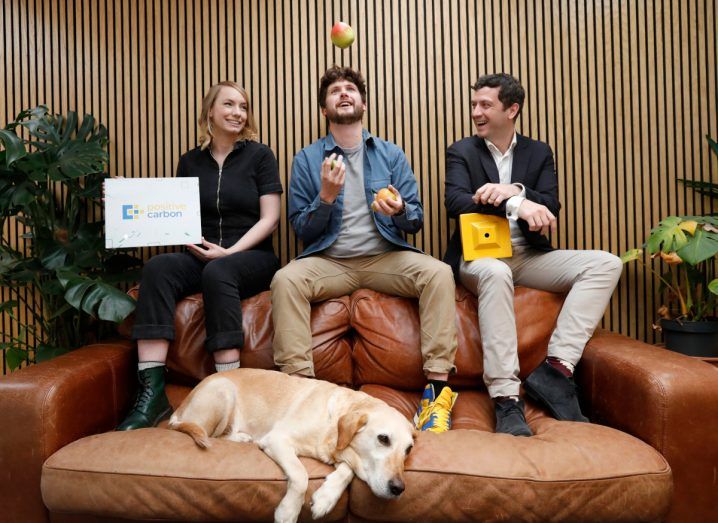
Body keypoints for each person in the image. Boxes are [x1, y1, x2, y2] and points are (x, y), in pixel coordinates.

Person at [270, 66, 458, 432]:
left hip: (384, 257)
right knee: (285, 280)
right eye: (335, 91)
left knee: (439, 273)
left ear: (363, 103)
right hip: (329, 260)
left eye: (350, 89)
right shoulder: (307, 160)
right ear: (324, 109)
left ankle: (436, 393)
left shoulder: (389, 153)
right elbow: (300, 229)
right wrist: (325, 197)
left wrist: (401, 209)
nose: (343, 93)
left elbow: (415, 220)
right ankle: (301, 394)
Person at [444, 73, 623, 437]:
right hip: (480, 257)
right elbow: (456, 202)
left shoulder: (538, 152)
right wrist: (514, 204)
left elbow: (550, 202)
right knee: (496, 273)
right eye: (474, 105)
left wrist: (517, 190)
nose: (476, 112)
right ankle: (506, 399)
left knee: (606, 263)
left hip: (529, 255)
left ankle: (556, 370)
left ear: (512, 109)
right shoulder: (461, 151)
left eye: (485, 105)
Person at [117, 81, 283, 431]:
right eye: (229, 105)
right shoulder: (190, 161)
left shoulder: (260, 156)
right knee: (158, 268)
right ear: (210, 111)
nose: (238, 112)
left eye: (243, 106)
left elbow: (270, 218)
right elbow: (176, 215)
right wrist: (125, 200)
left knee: (218, 273)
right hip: (201, 251)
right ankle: (152, 395)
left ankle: (233, 394)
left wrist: (230, 252)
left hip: (251, 255)